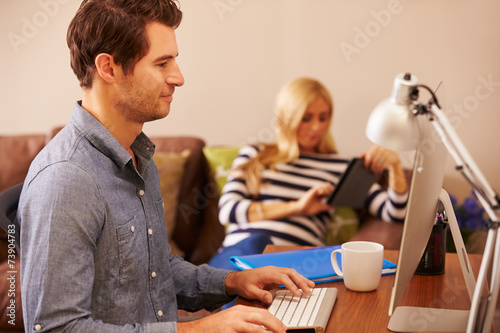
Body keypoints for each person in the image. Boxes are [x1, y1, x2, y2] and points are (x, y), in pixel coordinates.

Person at [17, 1, 315, 332]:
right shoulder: (66, 179)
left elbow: (152, 271)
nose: (179, 77)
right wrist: (197, 329)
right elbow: (57, 328)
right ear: (108, 68)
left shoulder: (138, 158)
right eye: (162, 63)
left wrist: (233, 281)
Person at [209, 77, 409, 270]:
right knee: (257, 245)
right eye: (306, 118)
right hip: (242, 255)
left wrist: (395, 167)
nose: (316, 127)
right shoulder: (256, 153)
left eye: (323, 118)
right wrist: (298, 207)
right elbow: (228, 210)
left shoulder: (341, 166)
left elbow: (396, 213)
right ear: (287, 119)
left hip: (298, 262)